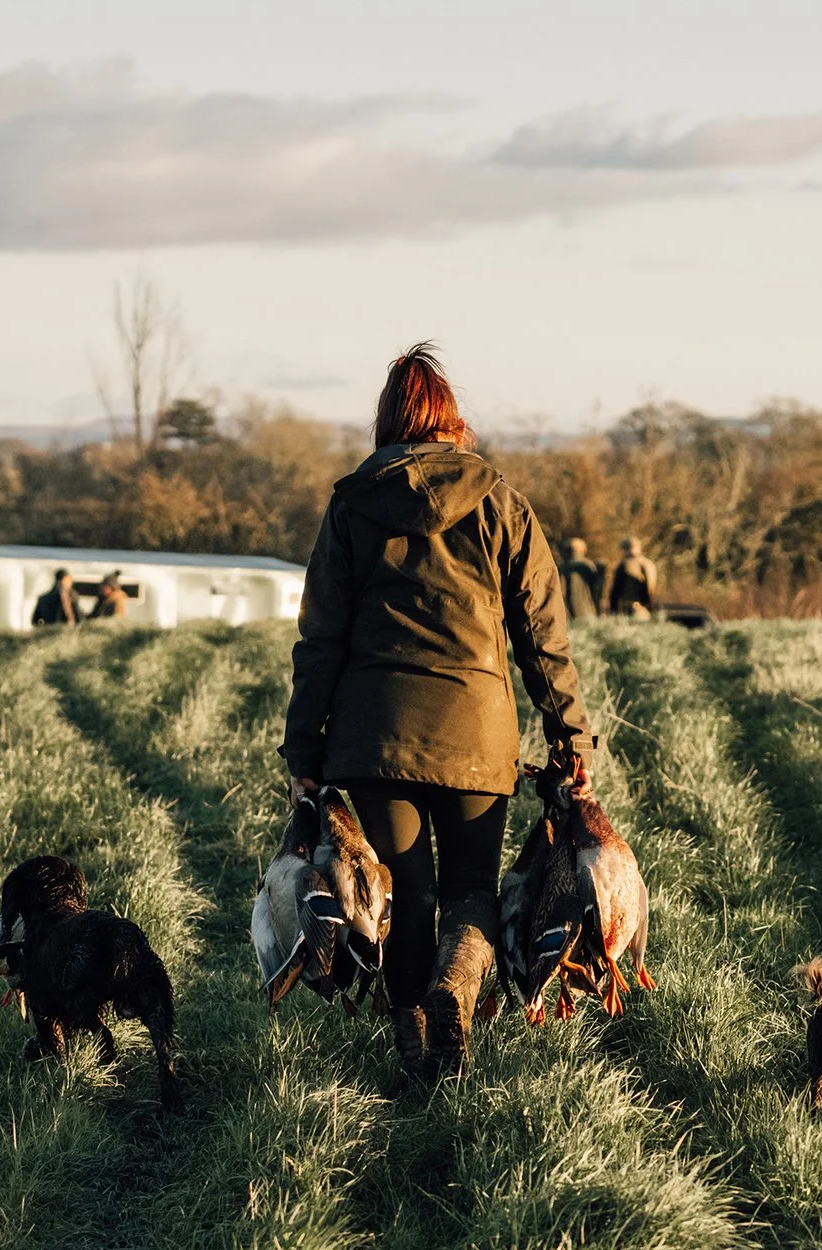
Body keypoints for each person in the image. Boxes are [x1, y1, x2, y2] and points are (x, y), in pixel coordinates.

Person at [281, 342, 593, 1078]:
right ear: (453, 420)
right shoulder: (501, 503)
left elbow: (319, 638)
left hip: (375, 737)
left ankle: (414, 1038)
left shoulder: (353, 505)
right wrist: (569, 737)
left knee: (406, 892)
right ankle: (455, 993)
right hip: (477, 735)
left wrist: (303, 752)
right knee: (470, 892)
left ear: (389, 422)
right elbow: (543, 637)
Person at [606, 536, 658, 617]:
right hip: (646, 610)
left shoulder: (625, 565)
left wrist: (613, 610)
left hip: (629, 609)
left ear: (624, 549)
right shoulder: (650, 564)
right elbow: (651, 590)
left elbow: (616, 590)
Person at [561, 536, 602, 619]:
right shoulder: (588, 565)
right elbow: (596, 588)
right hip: (587, 609)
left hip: (567, 609)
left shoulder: (562, 567)